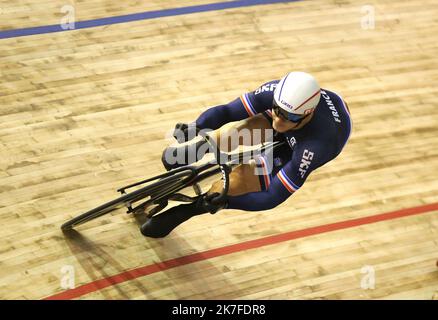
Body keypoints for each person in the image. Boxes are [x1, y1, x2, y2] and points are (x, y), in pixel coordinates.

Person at [141, 71, 352, 238]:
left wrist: (226, 202)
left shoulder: (317, 145)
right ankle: (199, 149)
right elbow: (228, 111)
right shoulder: (276, 93)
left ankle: (186, 211)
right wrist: (196, 127)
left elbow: (273, 196)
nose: (279, 122)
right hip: (293, 123)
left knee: (233, 184)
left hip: (298, 146)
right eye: (276, 110)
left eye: (287, 118)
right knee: (239, 130)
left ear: (308, 114)